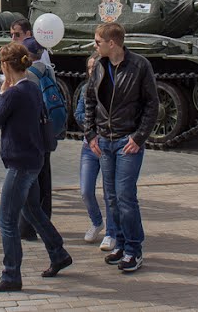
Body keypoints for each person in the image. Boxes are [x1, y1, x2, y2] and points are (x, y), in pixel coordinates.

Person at [0, 42, 71, 292]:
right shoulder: (32, 87)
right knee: (33, 211)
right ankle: (58, 252)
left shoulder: (14, 93)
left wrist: (1, 92)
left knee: (7, 221)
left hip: (19, 163)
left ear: (5, 66)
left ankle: (11, 274)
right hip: (34, 159)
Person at [84, 22, 158, 273]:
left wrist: (139, 137)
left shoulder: (139, 66)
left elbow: (151, 105)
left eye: (97, 42)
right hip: (104, 140)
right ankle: (121, 244)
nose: (95, 46)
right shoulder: (100, 66)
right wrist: (90, 134)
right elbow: (90, 100)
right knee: (112, 197)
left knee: (126, 197)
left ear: (111, 43)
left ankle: (134, 250)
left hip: (127, 141)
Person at [75, 51, 115, 249]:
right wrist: (93, 127)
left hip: (108, 145)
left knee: (110, 192)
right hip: (89, 145)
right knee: (85, 190)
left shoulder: (112, 87)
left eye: (95, 67)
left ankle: (111, 232)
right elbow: (79, 113)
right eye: (89, 68)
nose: (92, 71)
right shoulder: (85, 89)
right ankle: (97, 221)